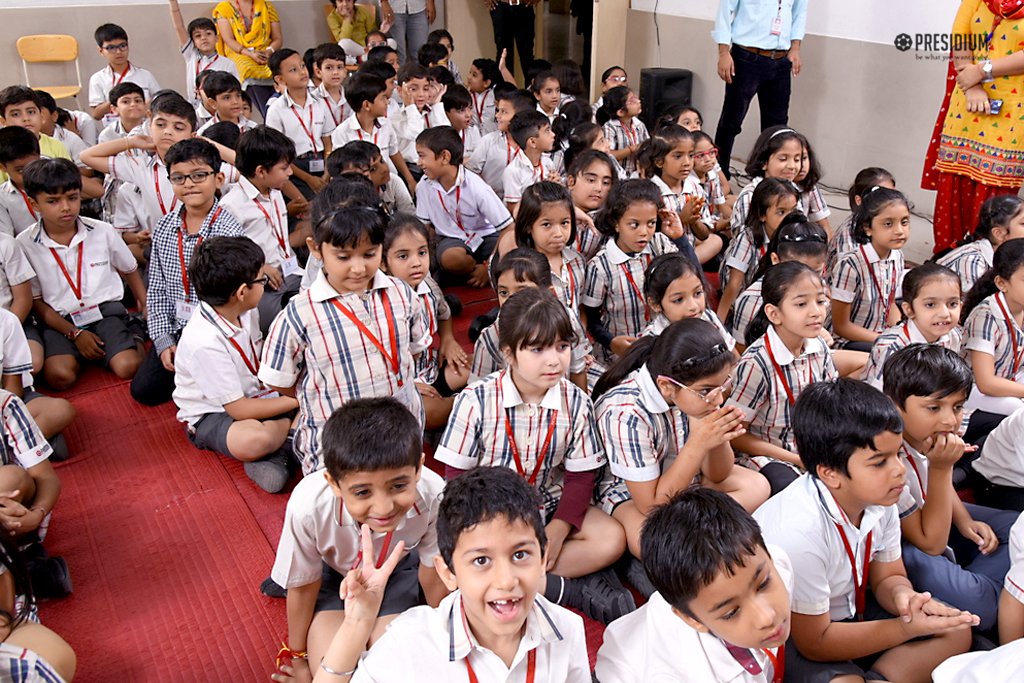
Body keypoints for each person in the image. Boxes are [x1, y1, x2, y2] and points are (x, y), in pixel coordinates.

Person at [753, 379, 976, 681]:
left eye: (897, 454)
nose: (899, 469)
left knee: (956, 629)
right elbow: (815, 643)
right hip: (798, 632)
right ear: (829, 473)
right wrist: (904, 627)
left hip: (848, 612)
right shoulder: (797, 532)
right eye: (879, 462)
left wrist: (904, 598)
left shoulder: (881, 498)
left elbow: (889, 576)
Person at [437, 288, 633, 624]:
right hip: (490, 512)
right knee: (474, 555)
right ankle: (561, 589)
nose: (555, 360)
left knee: (611, 539)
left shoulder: (576, 401)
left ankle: (525, 576)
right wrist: (489, 526)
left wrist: (558, 528)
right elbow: (456, 482)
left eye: (562, 346)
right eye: (537, 349)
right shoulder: (476, 400)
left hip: (548, 502)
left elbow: (580, 477)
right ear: (509, 353)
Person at [292, 466, 590, 683]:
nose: (506, 580)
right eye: (482, 560)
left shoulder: (569, 630)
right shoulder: (412, 641)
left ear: (543, 558)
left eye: (520, 555)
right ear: (448, 573)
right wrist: (358, 622)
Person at [269, 398, 448, 683]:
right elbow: (303, 586)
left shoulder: (435, 493)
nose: (384, 508)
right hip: (333, 578)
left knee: (393, 670)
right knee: (331, 670)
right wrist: (299, 657)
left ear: (419, 469)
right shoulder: (307, 506)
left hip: (398, 573)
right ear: (334, 484)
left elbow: (434, 574)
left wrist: (444, 639)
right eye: (363, 492)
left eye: (399, 486)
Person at [258, 202, 429, 476]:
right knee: (339, 504)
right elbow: (277, 380)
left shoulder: (401, 292)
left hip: (399, 424)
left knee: (397, 492)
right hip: (336, 435)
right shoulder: (300, 313)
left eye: (369, 254)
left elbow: (415, 349)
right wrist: (317, 393)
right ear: (316, 249)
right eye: (343, 257)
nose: (359, 268)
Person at [593, 319, 770, 566]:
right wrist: (698, 443)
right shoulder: (624, 412)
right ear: (666, 386)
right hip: (632, 495)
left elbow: (718, 474)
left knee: (757, 485)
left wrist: (716, 437)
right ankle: (698, 536)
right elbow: (651, 505)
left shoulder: (694, 396)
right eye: (707, 390)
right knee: (653, 542)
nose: (718, 398)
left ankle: (695, 532)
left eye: (723, 386)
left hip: (682, 476)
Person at [882, 344, 1017, 632]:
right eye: (934, 407)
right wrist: (943, 468)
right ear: (895, 405)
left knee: (1016, 526)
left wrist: (964, 519)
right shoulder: (886, 455)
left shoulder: (925, 434)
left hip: (930, 514)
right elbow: (927, 542)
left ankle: (995, 586)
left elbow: (934, 490)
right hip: (902, 540)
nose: (949, 420)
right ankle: (999, 590)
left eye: (957, 407)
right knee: (980, 606)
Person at [595, 489, 792, 683]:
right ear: (691, 619)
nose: (767, 617)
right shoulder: (688, 675)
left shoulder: (769, 564)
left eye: (763, 584)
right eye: (731, 612)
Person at [173, 236, 297, 493]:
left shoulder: (245, 310)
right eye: (262, 280)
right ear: (242, 292)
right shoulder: (204, 341)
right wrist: (299, 401)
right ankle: (293, 435)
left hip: (257, 393)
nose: (266, 285)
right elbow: (238, 409)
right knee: (254, 440)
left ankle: (285, 445)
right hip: (214, 412)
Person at [131, 138, 245, 407]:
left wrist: (196, 345)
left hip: (214, 332)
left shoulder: (228, 231)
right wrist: (163, 340)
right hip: (177, 327)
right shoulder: (164, 227)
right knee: (144, 391)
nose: (189, 184)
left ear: (218, 179)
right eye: (179, 178)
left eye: (198, 175)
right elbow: (157, 290)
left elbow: (233, 304)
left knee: (219, 394)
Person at [922, 0, 1024, 251]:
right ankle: (946, 257)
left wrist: (982, 70)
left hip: (1012, 111)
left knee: (996, 192)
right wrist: (972, 85)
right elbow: (960, 35)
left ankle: (987, 267)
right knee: (953, 184)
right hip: (966, 104)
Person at [729, 261, 837, 495]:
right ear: (774, 314)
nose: (816, 312)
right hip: (771, 456)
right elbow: (737, 436)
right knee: (801, 496)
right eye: (801, 304)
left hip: (812, 447)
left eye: (820, 301)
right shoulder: (756, 363)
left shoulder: (819, 346)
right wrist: (796, 459)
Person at [581, 179, 679, 362]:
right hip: (619, 354)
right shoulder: (600, 266)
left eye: (651, 223)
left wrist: (679, 238)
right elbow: (592, 321)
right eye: (634, 225)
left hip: (660, 348)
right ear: (616, 224)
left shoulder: (658, 244)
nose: (644, 232)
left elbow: (691, 275)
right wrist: (611, 342)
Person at [220, 126, 303, 334]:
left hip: (290, 271)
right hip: (261, 285)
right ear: (261, 172)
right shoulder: (232, 205)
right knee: (285, 328)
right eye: (284, 168)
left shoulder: (274, 192)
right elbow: (230, 256)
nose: (290, 173)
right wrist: (261, 268)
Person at [711, 0, 807, 179]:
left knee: (777, 126)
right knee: (731, 121)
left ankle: (769, 179)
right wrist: (723, 53)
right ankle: (718, 176)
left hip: (781, 60)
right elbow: (725, 11)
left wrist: (795, 48)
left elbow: (799, 13)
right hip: (746, 58)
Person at [414, 127, 512, 287]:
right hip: (453, 240)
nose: (418, 163)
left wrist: (488, 267)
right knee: (451, 258)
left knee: (513, 247)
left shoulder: (476, 187)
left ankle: (486, 270)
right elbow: (425, 228)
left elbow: (508, 227)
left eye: (422, 156)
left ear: (444, 157)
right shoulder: (424, 186)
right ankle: (474, 269)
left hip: (486, 238)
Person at [830, 187, 911, 351]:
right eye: (888, 224)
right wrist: (885, 340)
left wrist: (899, 333)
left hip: (879, 336)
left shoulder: (897, 256)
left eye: (904, 222)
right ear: (868, 227)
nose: (899, 231)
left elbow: (890, 304)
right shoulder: (850, 265)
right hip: (847, 342)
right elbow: (841, 326)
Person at [863, 264, 963, 389]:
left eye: (952, 304)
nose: (944, 313)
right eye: (930, 305)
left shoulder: (955, 336)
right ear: (909, 309)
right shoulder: (894, 347)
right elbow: (882, 398)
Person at [265, 49, 336, 199]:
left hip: (323, 161)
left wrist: (327, 172)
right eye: (293, 70)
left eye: (302, 66)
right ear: (280, 80)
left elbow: (328, 142)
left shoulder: (320, 103)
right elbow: (279, 155)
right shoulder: (276, 110)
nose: (302, 72)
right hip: (294, 167)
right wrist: (308, 179)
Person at [938, 195, 1024, 294]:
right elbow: (971, 305)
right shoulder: (972, 260)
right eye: (1023, 224)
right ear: (999, 233)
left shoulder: (1015, 255)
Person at [167, 0, 240, 108]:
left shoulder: (227, 64)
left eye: (208, 34)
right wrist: (173, 2)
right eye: (198, 36)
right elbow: (179, 27)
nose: (204, 38)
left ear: (217, 38)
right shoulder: (191, 55)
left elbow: (236, 90)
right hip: (194, 108)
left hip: (218, 109)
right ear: (193, 42)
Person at [87, 23, 160, 124]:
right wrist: (118, 99)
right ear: (101, 51)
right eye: (111, 48)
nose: (118, 52)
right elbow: (96, 114)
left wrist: (141, 106)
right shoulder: (98, 78)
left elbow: (160, 101)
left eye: (122, 46)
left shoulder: (145, 75)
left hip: (144, 128)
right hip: (114, 131)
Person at [212, 0, 283, 83]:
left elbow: (278, 38)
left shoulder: (267, 7)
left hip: (265, 51)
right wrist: (251, 54)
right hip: (239, 52)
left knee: (280, 65)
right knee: (245, 67)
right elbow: (228, 40)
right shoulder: (224, 8)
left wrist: (268, 51)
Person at [485, 0, 536, 78]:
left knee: (527, 57)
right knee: (503, 55)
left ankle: (532, 89)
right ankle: (506, 89)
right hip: (501, 6)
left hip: (524, 6)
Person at [380, 0, 435, 65]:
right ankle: (399, 75)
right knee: (398, 55)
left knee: (420, 55)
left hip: (419, 7)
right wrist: (384, 2)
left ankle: (419, 74)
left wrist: (431, 2)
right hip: (393, 8)